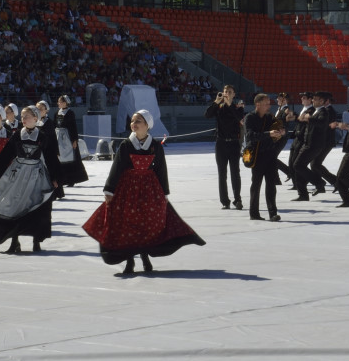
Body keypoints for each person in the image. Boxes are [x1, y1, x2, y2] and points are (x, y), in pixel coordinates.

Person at [82, 109, 205, 275]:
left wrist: (164, 193)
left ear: (147, 125)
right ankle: (130, 261)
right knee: (128, 225)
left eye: (138, 121)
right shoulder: (126, 144)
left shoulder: (155, 146)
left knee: (146, 224)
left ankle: (145, 256)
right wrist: (110, 189)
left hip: (149, 190)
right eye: (133, 121)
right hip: (128, 189)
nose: (134, 124)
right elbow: (117, 168)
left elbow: (161, 170)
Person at [0, 105, 62, 253]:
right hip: (18, 174)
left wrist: (55, 177)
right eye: (22, 117)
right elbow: (6, 155)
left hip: (36, 175)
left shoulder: (42, 136)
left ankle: (36, 241)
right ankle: (14, 242)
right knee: (14, 207)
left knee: (37, 206)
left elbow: (51, 158)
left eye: (26, 117)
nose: (23, 119)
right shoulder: (18, 135)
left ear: (35, 118)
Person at [244, 93, 284, 222]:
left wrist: (280, 132)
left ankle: (273, 213)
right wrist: (269, 134)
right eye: (266, 103)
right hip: (257, 155)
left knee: (271, 184)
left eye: (269, 103)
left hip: (270, 154)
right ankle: (254, 213)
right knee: (256, 184)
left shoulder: (269, 117)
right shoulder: (250, 117)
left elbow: (278, 127)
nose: (269, 106)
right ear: (258, 104)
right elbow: (251, 136)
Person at [204, 85, 246, 209]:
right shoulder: (219, 107)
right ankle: (225, 201)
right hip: (221, 143)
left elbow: (239, 117)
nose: (227, 93)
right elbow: (207, 115)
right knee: (222, 173)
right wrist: (216, 102)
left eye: (230, 92)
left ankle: (237, 199)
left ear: (234, 94)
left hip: (233, 143)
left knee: (235, 172)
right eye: (225, 91)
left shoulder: (237, 107)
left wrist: (229, 104)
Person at [52, 94, 89, 196]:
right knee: (61, 158)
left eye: (61, 101)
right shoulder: (56, 113)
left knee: (71, 157)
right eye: (58, 102)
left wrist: (74, 140)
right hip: (58, 136)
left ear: (65, 102)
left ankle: (72, 179)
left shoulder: (70, 113)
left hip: (67, 137)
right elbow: (54, 124)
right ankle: (63, 178)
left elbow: (73, 126)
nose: (59, 103)